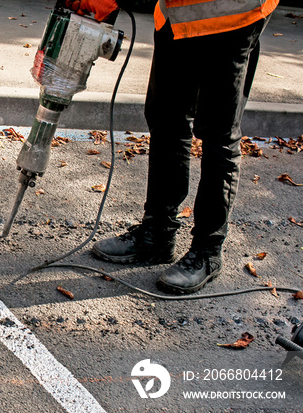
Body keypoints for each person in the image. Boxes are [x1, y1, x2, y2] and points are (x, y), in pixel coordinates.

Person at [70, 0, 278, 294]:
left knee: (218, 132)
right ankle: (157, 234)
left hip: (234, 14)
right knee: (166, 116)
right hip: (179, 16)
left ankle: (207, 252)